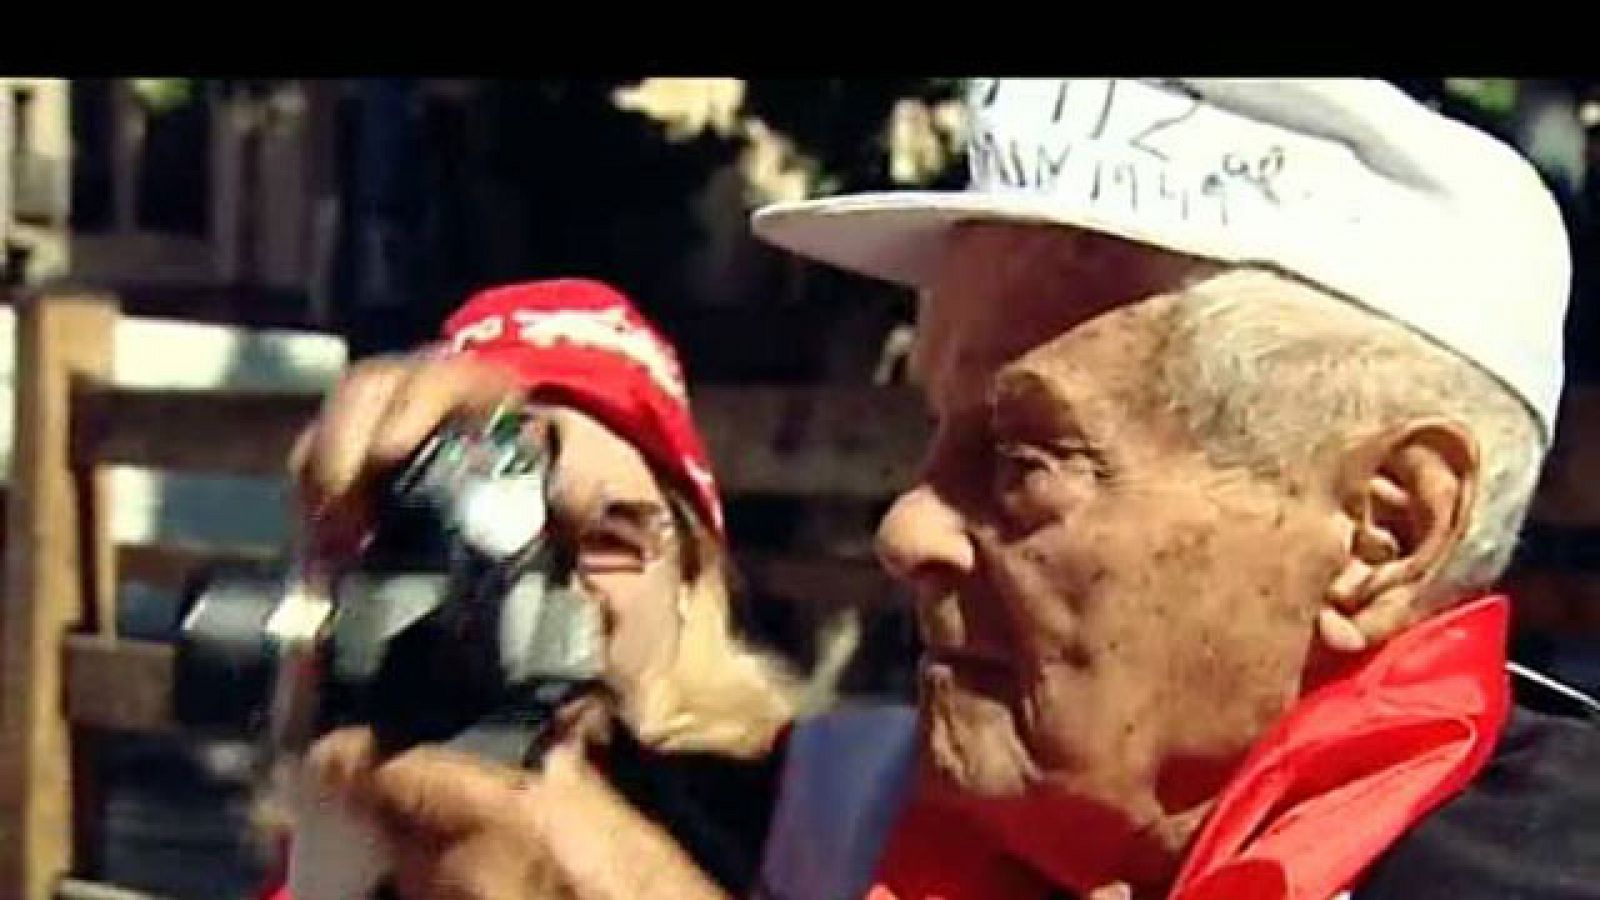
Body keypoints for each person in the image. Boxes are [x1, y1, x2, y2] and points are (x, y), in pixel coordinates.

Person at [307, 80, 1600, 899]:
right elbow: (605, 804)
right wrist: (462, 496)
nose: (907, 526)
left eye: (1026, 462)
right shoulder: (918, 806)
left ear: (1382, 530)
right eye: (933, 433)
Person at [266, 278, 796, 899]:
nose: (549, 588)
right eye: (478, 553)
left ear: (691, 579)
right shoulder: (335, 837)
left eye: (609, 540)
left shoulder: (812, 831)